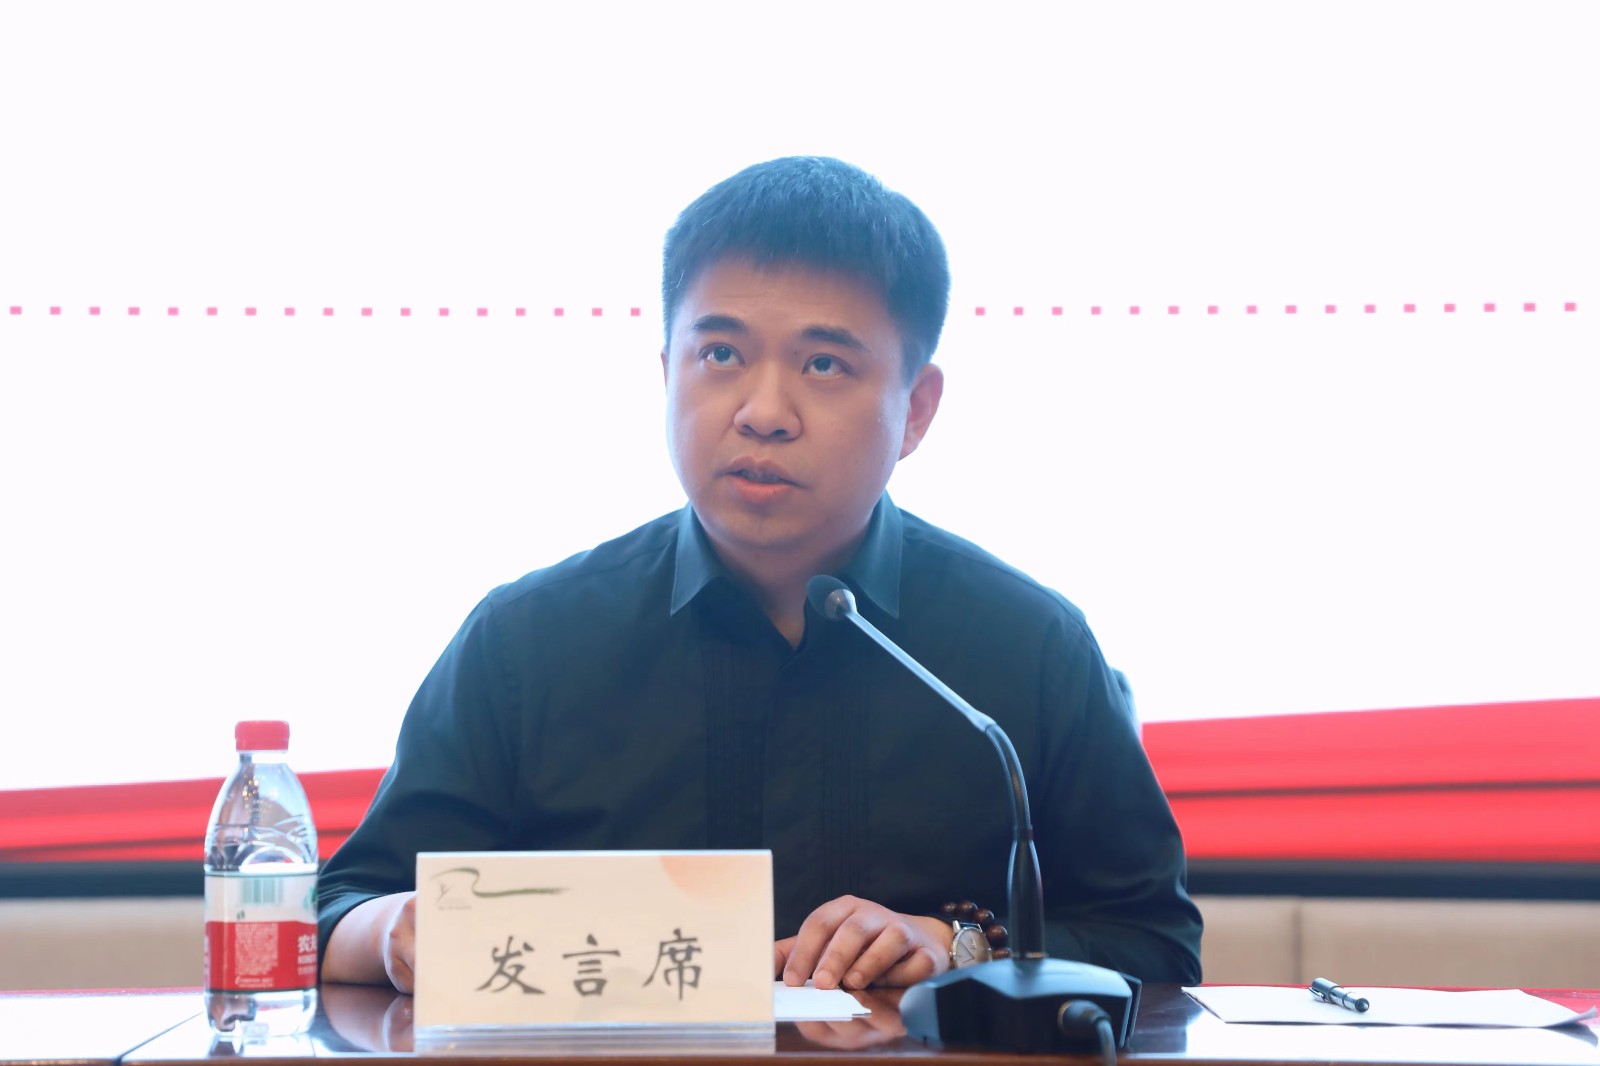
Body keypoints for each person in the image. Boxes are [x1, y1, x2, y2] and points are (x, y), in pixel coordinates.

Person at [318, 156, 1203, 994]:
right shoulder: (526, 641)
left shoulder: (1028, 645)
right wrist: (395, 930)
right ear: (667, 374)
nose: (763, 412)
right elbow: (342, 908)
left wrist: (957, 944)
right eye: (720, 355)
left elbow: (1154, 944)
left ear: (916, 409)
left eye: (824, 364)